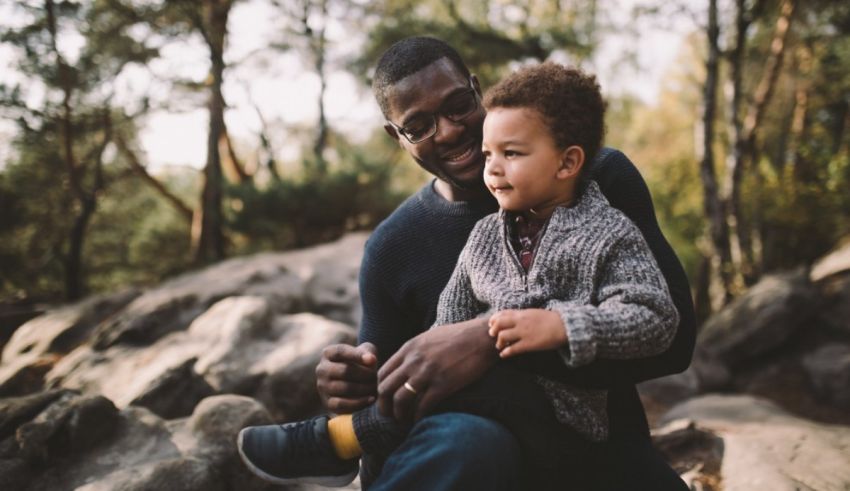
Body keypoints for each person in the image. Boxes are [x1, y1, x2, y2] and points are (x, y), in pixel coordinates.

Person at [259, 36, 694, 490]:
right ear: (397, 136)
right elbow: (404, 389)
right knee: (466, 439)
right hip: (469, 458)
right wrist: (352, 391)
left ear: (477, 89)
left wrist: (489, 341)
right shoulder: (394, 246)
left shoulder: (596, 180)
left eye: (458, 105)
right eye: (419, 125)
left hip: (598, 452)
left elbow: (674, 338)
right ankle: (335, 444)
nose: (447, 131)